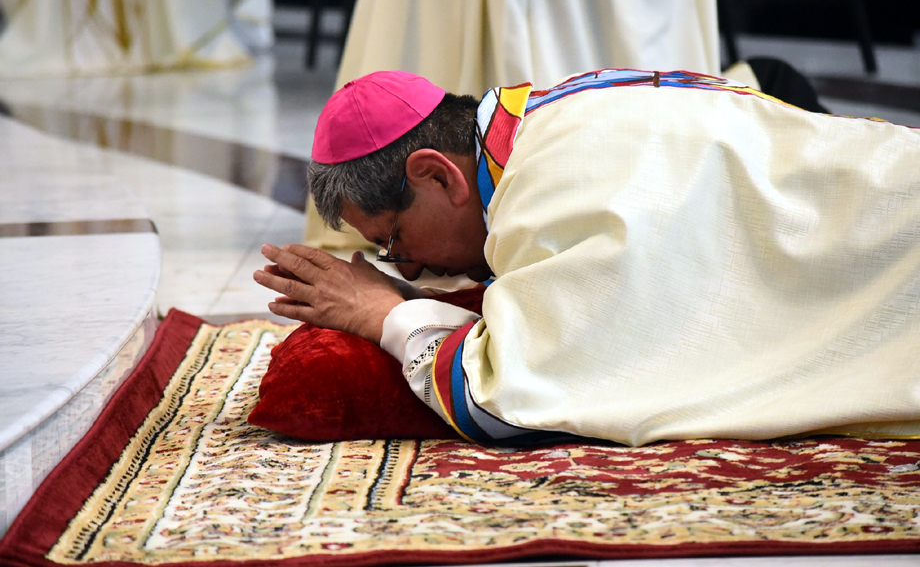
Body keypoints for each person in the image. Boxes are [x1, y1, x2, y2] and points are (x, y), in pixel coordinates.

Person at [254, 69, 920, 446]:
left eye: (394, 240)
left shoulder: (542, 191)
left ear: (437, 175)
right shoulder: (541, 113)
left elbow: (506, 398)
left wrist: (384, 315)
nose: (407, 269)